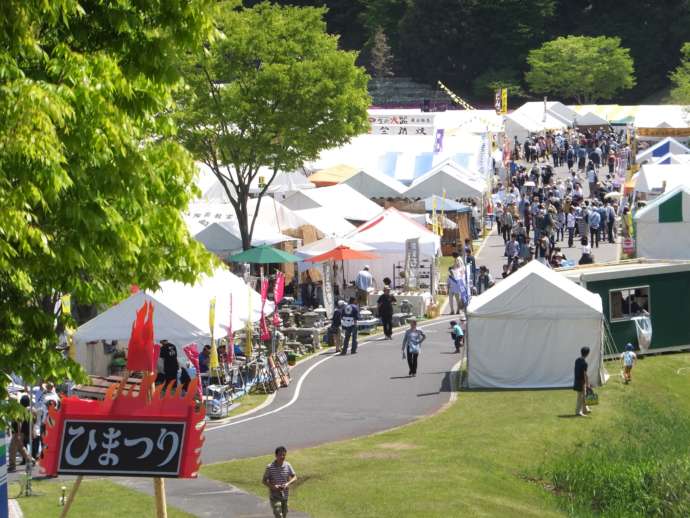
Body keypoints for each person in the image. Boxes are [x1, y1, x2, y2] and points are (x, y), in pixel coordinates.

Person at [262, 446, 297, 518]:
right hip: (274, 495)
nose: (282, 457)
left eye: (284, 455)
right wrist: (273, 487)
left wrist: (287, 484)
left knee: (284, 514)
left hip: (285, 495)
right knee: (278, 514)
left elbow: (295, 477)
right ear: (276, 455)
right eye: (280, 455)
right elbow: (264, 481)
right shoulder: (270, 467)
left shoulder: (288, 465)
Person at [573, 346, 591, 417]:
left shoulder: (577, 360)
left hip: (577, 380)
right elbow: (585, 374)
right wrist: (587, 383)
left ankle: (585, 409)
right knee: (580, 397)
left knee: (584, 395)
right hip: (581, 381)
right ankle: (578, 412)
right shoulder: (584, 363)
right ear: (587, 354)